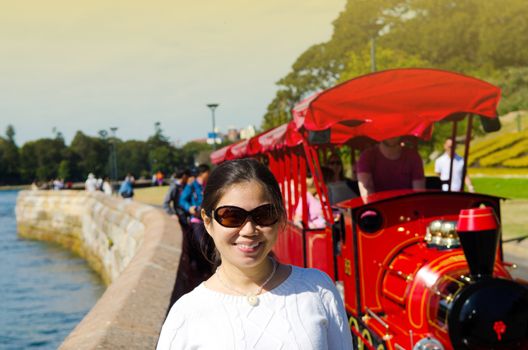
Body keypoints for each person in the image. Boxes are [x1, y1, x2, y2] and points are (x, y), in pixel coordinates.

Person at [157, 158, 353, 350]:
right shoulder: (185, 315)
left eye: (264, 215)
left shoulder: (318, 290)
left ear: (280, 218)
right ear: (208, 222)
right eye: (231, 216)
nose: (249, 230)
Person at [357, 136, 425, 198]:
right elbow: (367, 193)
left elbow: (418, 194)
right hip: (378, 208)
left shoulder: (413, 157)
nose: (392, 134)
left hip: (407, 207)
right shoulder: (367, 157)